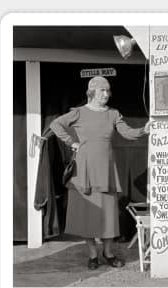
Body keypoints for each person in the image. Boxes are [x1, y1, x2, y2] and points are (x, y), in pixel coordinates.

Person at [50, 76, 150, 270]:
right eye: (102, 90)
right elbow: (55, 125)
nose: (106, 94)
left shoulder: (113, 114)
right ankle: (93, 254)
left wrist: (143, 130)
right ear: (92, 92)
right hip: (85, 170)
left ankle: (109, 253)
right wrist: (72, 142)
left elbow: (127, 133)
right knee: (87, 215)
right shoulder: (78, 112)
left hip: (106, 171)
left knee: (108, 216)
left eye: (108, 90)